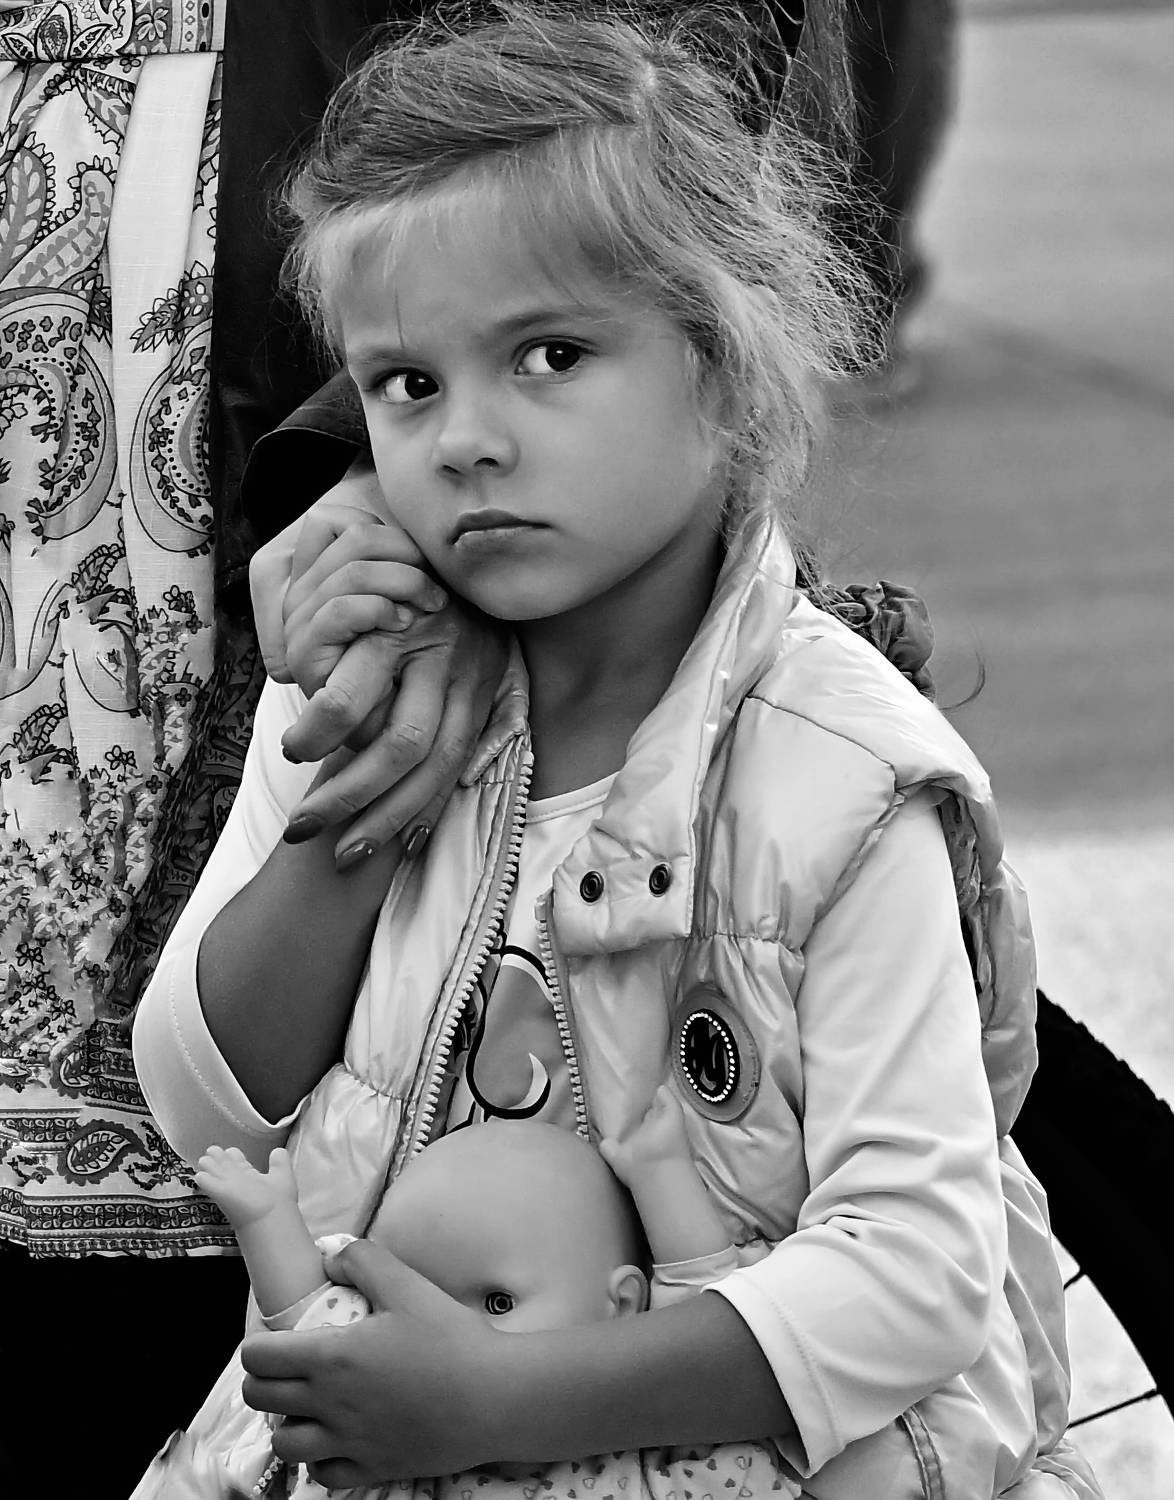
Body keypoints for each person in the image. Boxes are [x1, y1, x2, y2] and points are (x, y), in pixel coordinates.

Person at [132, 6, 1101, 1498]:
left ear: (722, 363)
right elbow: (203, 1104)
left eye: (548, 355)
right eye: (406, 383)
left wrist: (506, 1405)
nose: (463, 439)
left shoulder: (836, 778)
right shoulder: (365, 688)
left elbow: (916, 1273)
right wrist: (356, 820)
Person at [136, 1100, 752, 1497]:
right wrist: (268, 1219)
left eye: (496, 1303)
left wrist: (663, 1177)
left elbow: (707, 1336)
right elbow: (310, 1321)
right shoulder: (376, 1401)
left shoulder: (646, 1428)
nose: (438, 1333)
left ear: (621, 1307)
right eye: (410, 1288)